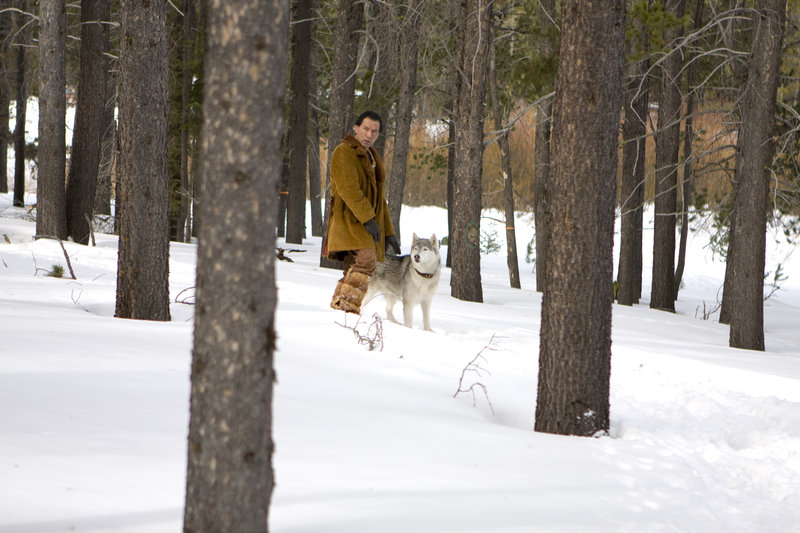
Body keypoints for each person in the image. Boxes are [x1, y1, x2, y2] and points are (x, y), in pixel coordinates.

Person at [325, 110, 401, 314]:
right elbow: (349, 189)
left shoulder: (373, 157)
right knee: (367, 260)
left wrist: (389, 232)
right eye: (366, 129)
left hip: (366, 222)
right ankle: (348, 307)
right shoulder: (344, 151)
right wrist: (368, 219)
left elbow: (380, 200)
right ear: (356, 128)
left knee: (353, 267)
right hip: (348, 221)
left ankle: (339, 308)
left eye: (374, 131)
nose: (369, 135)